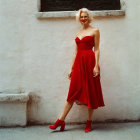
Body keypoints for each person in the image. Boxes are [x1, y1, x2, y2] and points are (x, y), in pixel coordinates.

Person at [49, 7, 105, 133]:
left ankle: (89, 122)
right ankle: (61, 120)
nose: (83, 18)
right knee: (72, 92)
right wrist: (71, 68)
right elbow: (75, 53)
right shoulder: (78, 33)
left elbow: (96, 49)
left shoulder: (95, 31)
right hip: (79, 64)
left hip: (90, 63)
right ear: (78, 18)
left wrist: (96, 65)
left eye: (85, 16)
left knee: (90, 92)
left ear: (89, 17)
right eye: (81, 17)